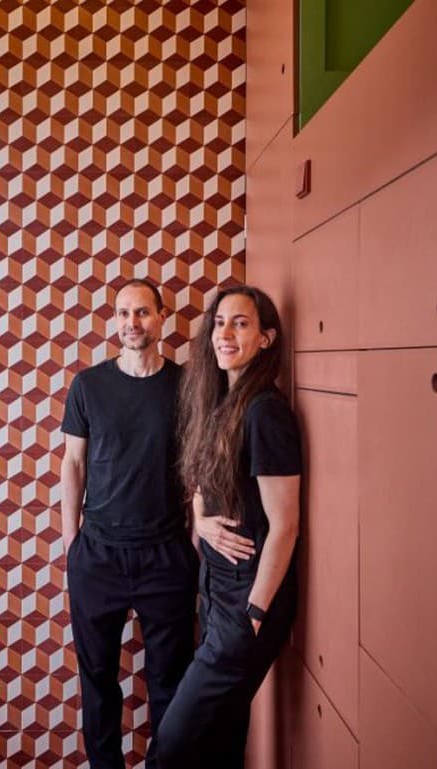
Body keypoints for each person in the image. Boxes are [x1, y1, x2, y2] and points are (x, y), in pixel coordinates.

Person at [156, 285, 301, 769]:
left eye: (240, 323)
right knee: (219, 743)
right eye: (219, 323)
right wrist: (200, 517)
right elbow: (202, 478)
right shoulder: (224, 401)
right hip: (217, 594)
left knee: (172, 745)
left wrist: (253, 612)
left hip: (246, 602)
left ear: (266, 338)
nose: (225, 334)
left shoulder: (264, 412)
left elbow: (285, 524)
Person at [60, 278, 200, 769]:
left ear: (161, 317)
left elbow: (199, 466)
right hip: (97, 555)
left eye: (142, 312)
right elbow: (73, 464)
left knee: (171, 682)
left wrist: (196, 540)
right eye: (123, 313)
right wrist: (72, 543)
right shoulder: (88, 386)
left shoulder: (186, 386)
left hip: (167, 554)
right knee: (97, 680)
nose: (131, 323)